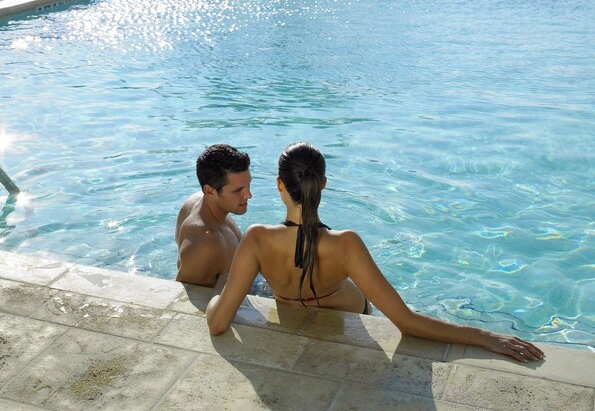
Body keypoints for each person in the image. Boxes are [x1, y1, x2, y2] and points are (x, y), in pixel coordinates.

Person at [206, 142, 545, 364]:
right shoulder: (346, 243)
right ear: (323, 184)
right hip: (356, 316)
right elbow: (407, 323)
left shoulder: (256, 239)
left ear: (279, 185)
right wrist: (485, 337)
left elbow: (218, 322)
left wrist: (220, 291)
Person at [175, 143, 253, 288]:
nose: (249, 195)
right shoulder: (205, 244)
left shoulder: (196, 201)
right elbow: (183, 298)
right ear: (210, 191)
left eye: (248, 185)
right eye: (238, 190)